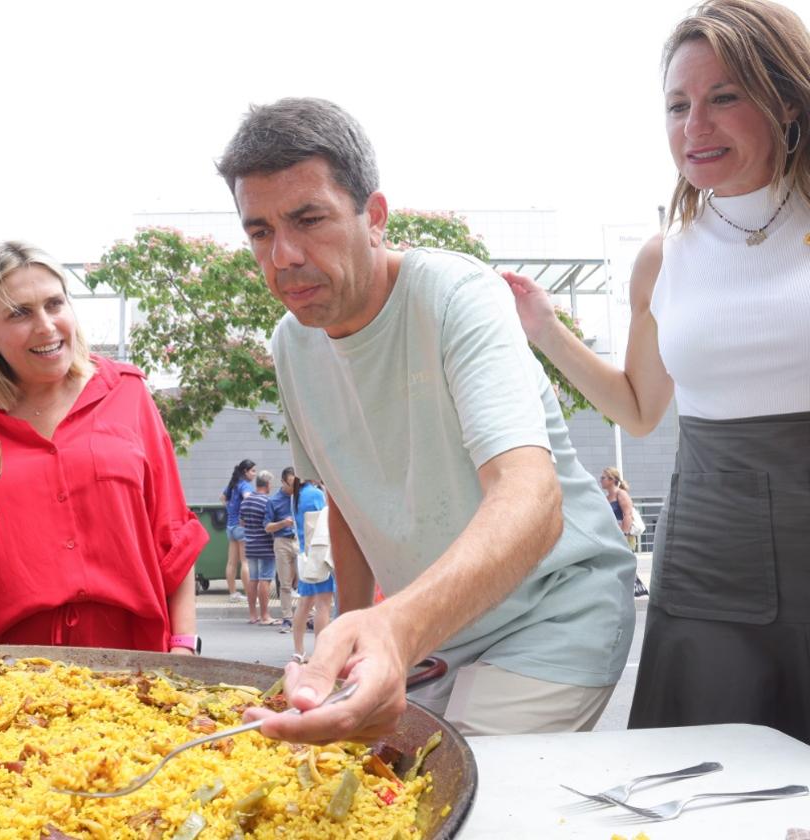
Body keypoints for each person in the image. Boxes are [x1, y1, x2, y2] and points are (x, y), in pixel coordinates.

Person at [217, 97, 636, 741]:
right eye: (260, 231)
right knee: (351, 772)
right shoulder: (291, 342)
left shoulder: (456, 295)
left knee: (455, 790)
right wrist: (351, 649)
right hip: (434, 633)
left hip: (552, 613)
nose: (284, 256)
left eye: (309, 218)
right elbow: (347, 506)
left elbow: (533, 496)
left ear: (375, 216)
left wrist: (392, 628)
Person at [503, 0, 810, 742]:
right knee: (711, 776)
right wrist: (546, 329)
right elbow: (640, 409)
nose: (693, 126)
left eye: (723, 97)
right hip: (708, 551)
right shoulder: (663, 256)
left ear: (786, 99)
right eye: (678, 105)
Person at [0, 241, 207, 655]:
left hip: (131, 663)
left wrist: (182, 648)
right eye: (19, 313)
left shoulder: (129, 394)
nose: (46, 327)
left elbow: (173, 537)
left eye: (54, 304)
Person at [289, 471, 332, 663]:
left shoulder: (297, 495)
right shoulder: (315, 494)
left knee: (304, 604)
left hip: (304, 556)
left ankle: (299, 651)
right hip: (319, 554)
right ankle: (321, 653)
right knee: (323, 605)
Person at [601, 467, 649, 598]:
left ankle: (630, 589)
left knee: (623, 563)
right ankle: (621, 589)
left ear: (612, 479)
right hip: (611, 537)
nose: (601, 481)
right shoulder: (606, 498)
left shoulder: (620, 494)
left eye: (603, 478)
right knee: (614, 564)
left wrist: (624, 535)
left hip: (623, 537)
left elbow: (627, 515)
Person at [239, 470, 280, 625]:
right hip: (265, 545)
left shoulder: (246, 501)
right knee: (265, 579)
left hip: (250, 545)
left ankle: (252, 615)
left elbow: (242, 522)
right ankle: (265, 615)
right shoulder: (266, 502)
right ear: (268, 484)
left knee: (253, 579)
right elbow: (269, 524)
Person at [264, 466, 300, 631]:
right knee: (285, 583)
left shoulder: (301, 497)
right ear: (283, 482)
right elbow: (267, 527)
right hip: (282, 541)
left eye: (296, 484)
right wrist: (282, 523)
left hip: (299, 540)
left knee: (306, 580)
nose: (293, 488)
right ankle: (287, 617)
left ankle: (309, 616)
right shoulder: (273, 501)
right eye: (290, 484)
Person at [220, 460, 256, 603]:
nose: (255, 474)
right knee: (245, 562)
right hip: (242, 527)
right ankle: (250, 596)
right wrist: (244, 515)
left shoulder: (233, 484)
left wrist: (231, 510)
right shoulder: (245, 485)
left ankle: (233, 594)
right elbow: (248, 498)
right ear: (245, 471)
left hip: (230, 526)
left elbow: (222, 498)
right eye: (253, 471)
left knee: (231, 563)